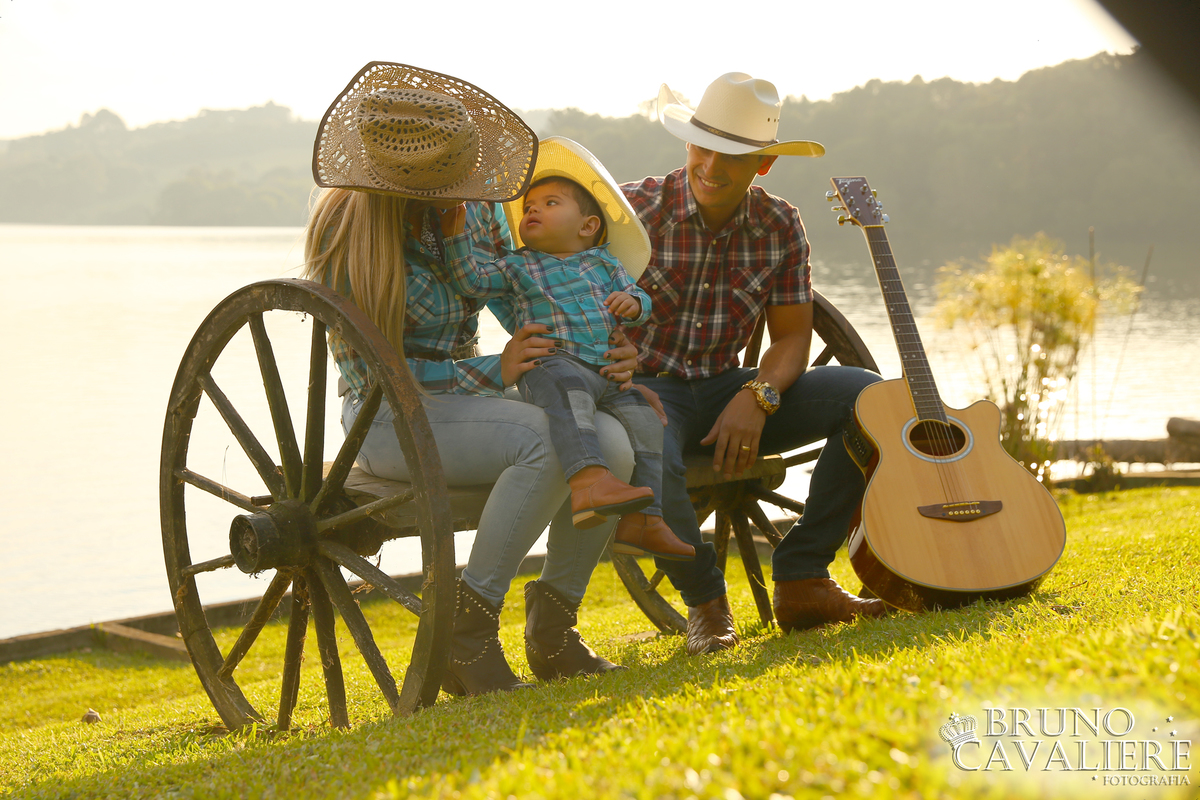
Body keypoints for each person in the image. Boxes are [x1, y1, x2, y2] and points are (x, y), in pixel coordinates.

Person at [303, 62, 642, 695]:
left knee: (613, 446)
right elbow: (376, 373)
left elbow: (530, 304)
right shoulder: (352, 234)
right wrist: (493, 369)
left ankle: (554, 631)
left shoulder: (482, 214)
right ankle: (465, 635)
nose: (458, 189)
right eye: (443, 180)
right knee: (543, 441)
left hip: (466, 403)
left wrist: (601, 350)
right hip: (384, 417)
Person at [620, 72, 889, 655]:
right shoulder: (630, 210)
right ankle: (707, 606)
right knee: (646, 441)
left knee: (868, 396)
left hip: (726, 386)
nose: (712, 168)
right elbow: (560, 298)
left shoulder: (780, 224)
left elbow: (792, 338)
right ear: (687, 143)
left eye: (734, 158)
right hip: (644, 389)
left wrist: (758, 396)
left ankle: (803, 577)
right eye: (703, 148)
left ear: (763, 165)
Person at [439, 137, 694, 562]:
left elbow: (639, 299)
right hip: (553, 365)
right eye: (530, 205)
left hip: (607, 371)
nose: (533, 209)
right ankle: (588, 480)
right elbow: (472, 282)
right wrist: (455, 238)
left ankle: (646, 520)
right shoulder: (518, 265)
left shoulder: (605, 264)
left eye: (550, 203)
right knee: (569, 395)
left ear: (588, 226)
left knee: (649, 423)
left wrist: (633, 305)